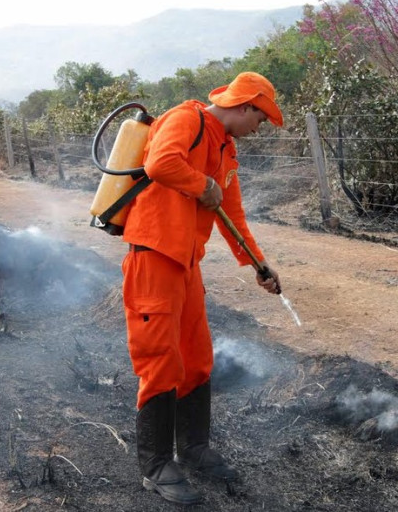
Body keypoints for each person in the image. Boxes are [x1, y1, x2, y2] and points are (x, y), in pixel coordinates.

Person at [121, 72, 283, 505]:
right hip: (153, 256)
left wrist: (258, 264)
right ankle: (155, 466)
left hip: (186, 263)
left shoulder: (225, 149)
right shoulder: (185, 119)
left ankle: (192, 449)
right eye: (261, 119)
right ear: (246, 105)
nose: (259, 129)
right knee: (160, 359)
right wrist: (202, 184)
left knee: (196, 358)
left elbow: (232, 213)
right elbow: (160, 164)